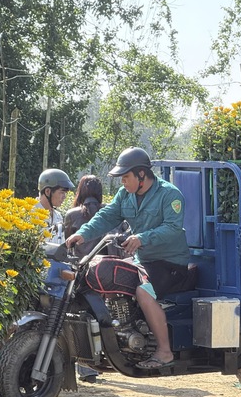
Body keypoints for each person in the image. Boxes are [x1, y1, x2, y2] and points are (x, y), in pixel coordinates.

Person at [66, 147, 190, 370]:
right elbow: (106, 216)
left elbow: (173, 228)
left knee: (144, 291)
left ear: (141, 175)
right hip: (143, 262)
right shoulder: (126, 195)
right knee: (107, 277)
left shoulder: (169, 194)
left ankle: (164, 351)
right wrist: (82, 233)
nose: (122, 182)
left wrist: (142, 238)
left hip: (170, 264)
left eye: (126, 177)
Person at [63, 174, 107, 383]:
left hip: (79, 273)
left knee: (77, 318)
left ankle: (85, 368)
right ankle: (99, 363)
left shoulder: (72, 215)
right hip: (104, 273)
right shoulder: (108, 213)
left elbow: (66, 246)